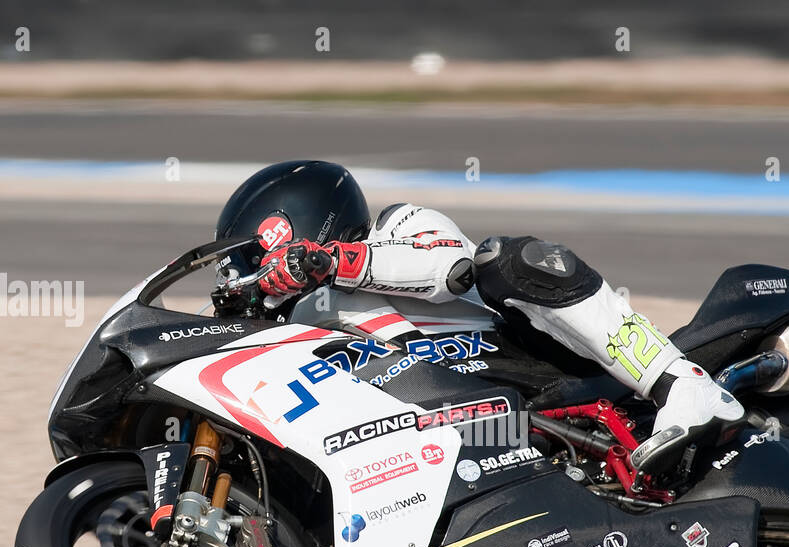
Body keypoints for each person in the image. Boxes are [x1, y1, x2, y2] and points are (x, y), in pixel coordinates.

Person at [212, 159, 743, 473]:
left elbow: (452, 268)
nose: (245, 276)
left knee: (507, 260)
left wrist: (331, 263)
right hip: (442, 432)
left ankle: (682, 384)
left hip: (530, 363)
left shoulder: (401, 224)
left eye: (250, 258)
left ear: (299, 226)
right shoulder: (291, 327)